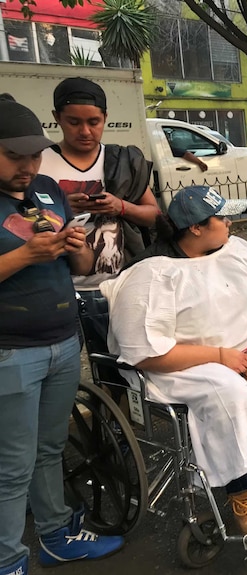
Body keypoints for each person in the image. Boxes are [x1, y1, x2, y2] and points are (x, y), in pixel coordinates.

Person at [101, 186, 247, 538]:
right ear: (194, 228)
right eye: (221, 218)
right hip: (187, 365)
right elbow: (148, 352)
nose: (230, 223)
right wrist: (222, 357)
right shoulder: (152, 274)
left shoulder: (236, 250)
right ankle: (243, 494)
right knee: (231, 398)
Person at [0, 100, 122, 575]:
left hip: (62, 341)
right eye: (14, 156)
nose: (28, 167)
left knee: (50, 449)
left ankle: (54, 535)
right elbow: (27, 258)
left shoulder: (46, 191)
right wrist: (27, 256)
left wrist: (75, 250)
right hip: (10, 352)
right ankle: (10, 561)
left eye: (34, 156)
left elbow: (83, 268)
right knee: (11, 466)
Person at [38, 77, 160, 320]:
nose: (85, 131)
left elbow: (154, 216)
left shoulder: (122, 161)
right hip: (60, 290)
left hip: (120, 285)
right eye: (74, 122)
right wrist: (62, 209)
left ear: (105, 117)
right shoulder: (39, 163)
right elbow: (20, 221)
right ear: (57, 117)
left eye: (94, 122)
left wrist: (120, 206)